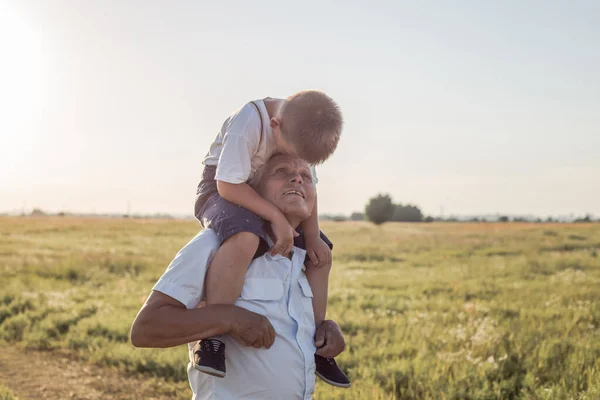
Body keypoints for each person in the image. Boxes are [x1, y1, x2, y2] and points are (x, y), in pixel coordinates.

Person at [131, 154, 350, 399]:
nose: (297, 178)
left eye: (306, 176)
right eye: (281, 171)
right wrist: (229, 319)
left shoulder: (308, 259)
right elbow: (145, 328)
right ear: (253, 191)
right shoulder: (217, 242)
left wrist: (324, 330)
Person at [192, 90, 347, 385]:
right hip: (221, 189)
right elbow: (228, 185)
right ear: (275, 125)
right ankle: (212, 337)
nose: (297, 160)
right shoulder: (249, 123)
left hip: (262, 190)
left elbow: (310, 192)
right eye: (292, 151)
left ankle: (316, 344)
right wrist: (276, 218)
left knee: (321, 254)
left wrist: (312, 237)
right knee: (246, 237)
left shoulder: (299, 133)